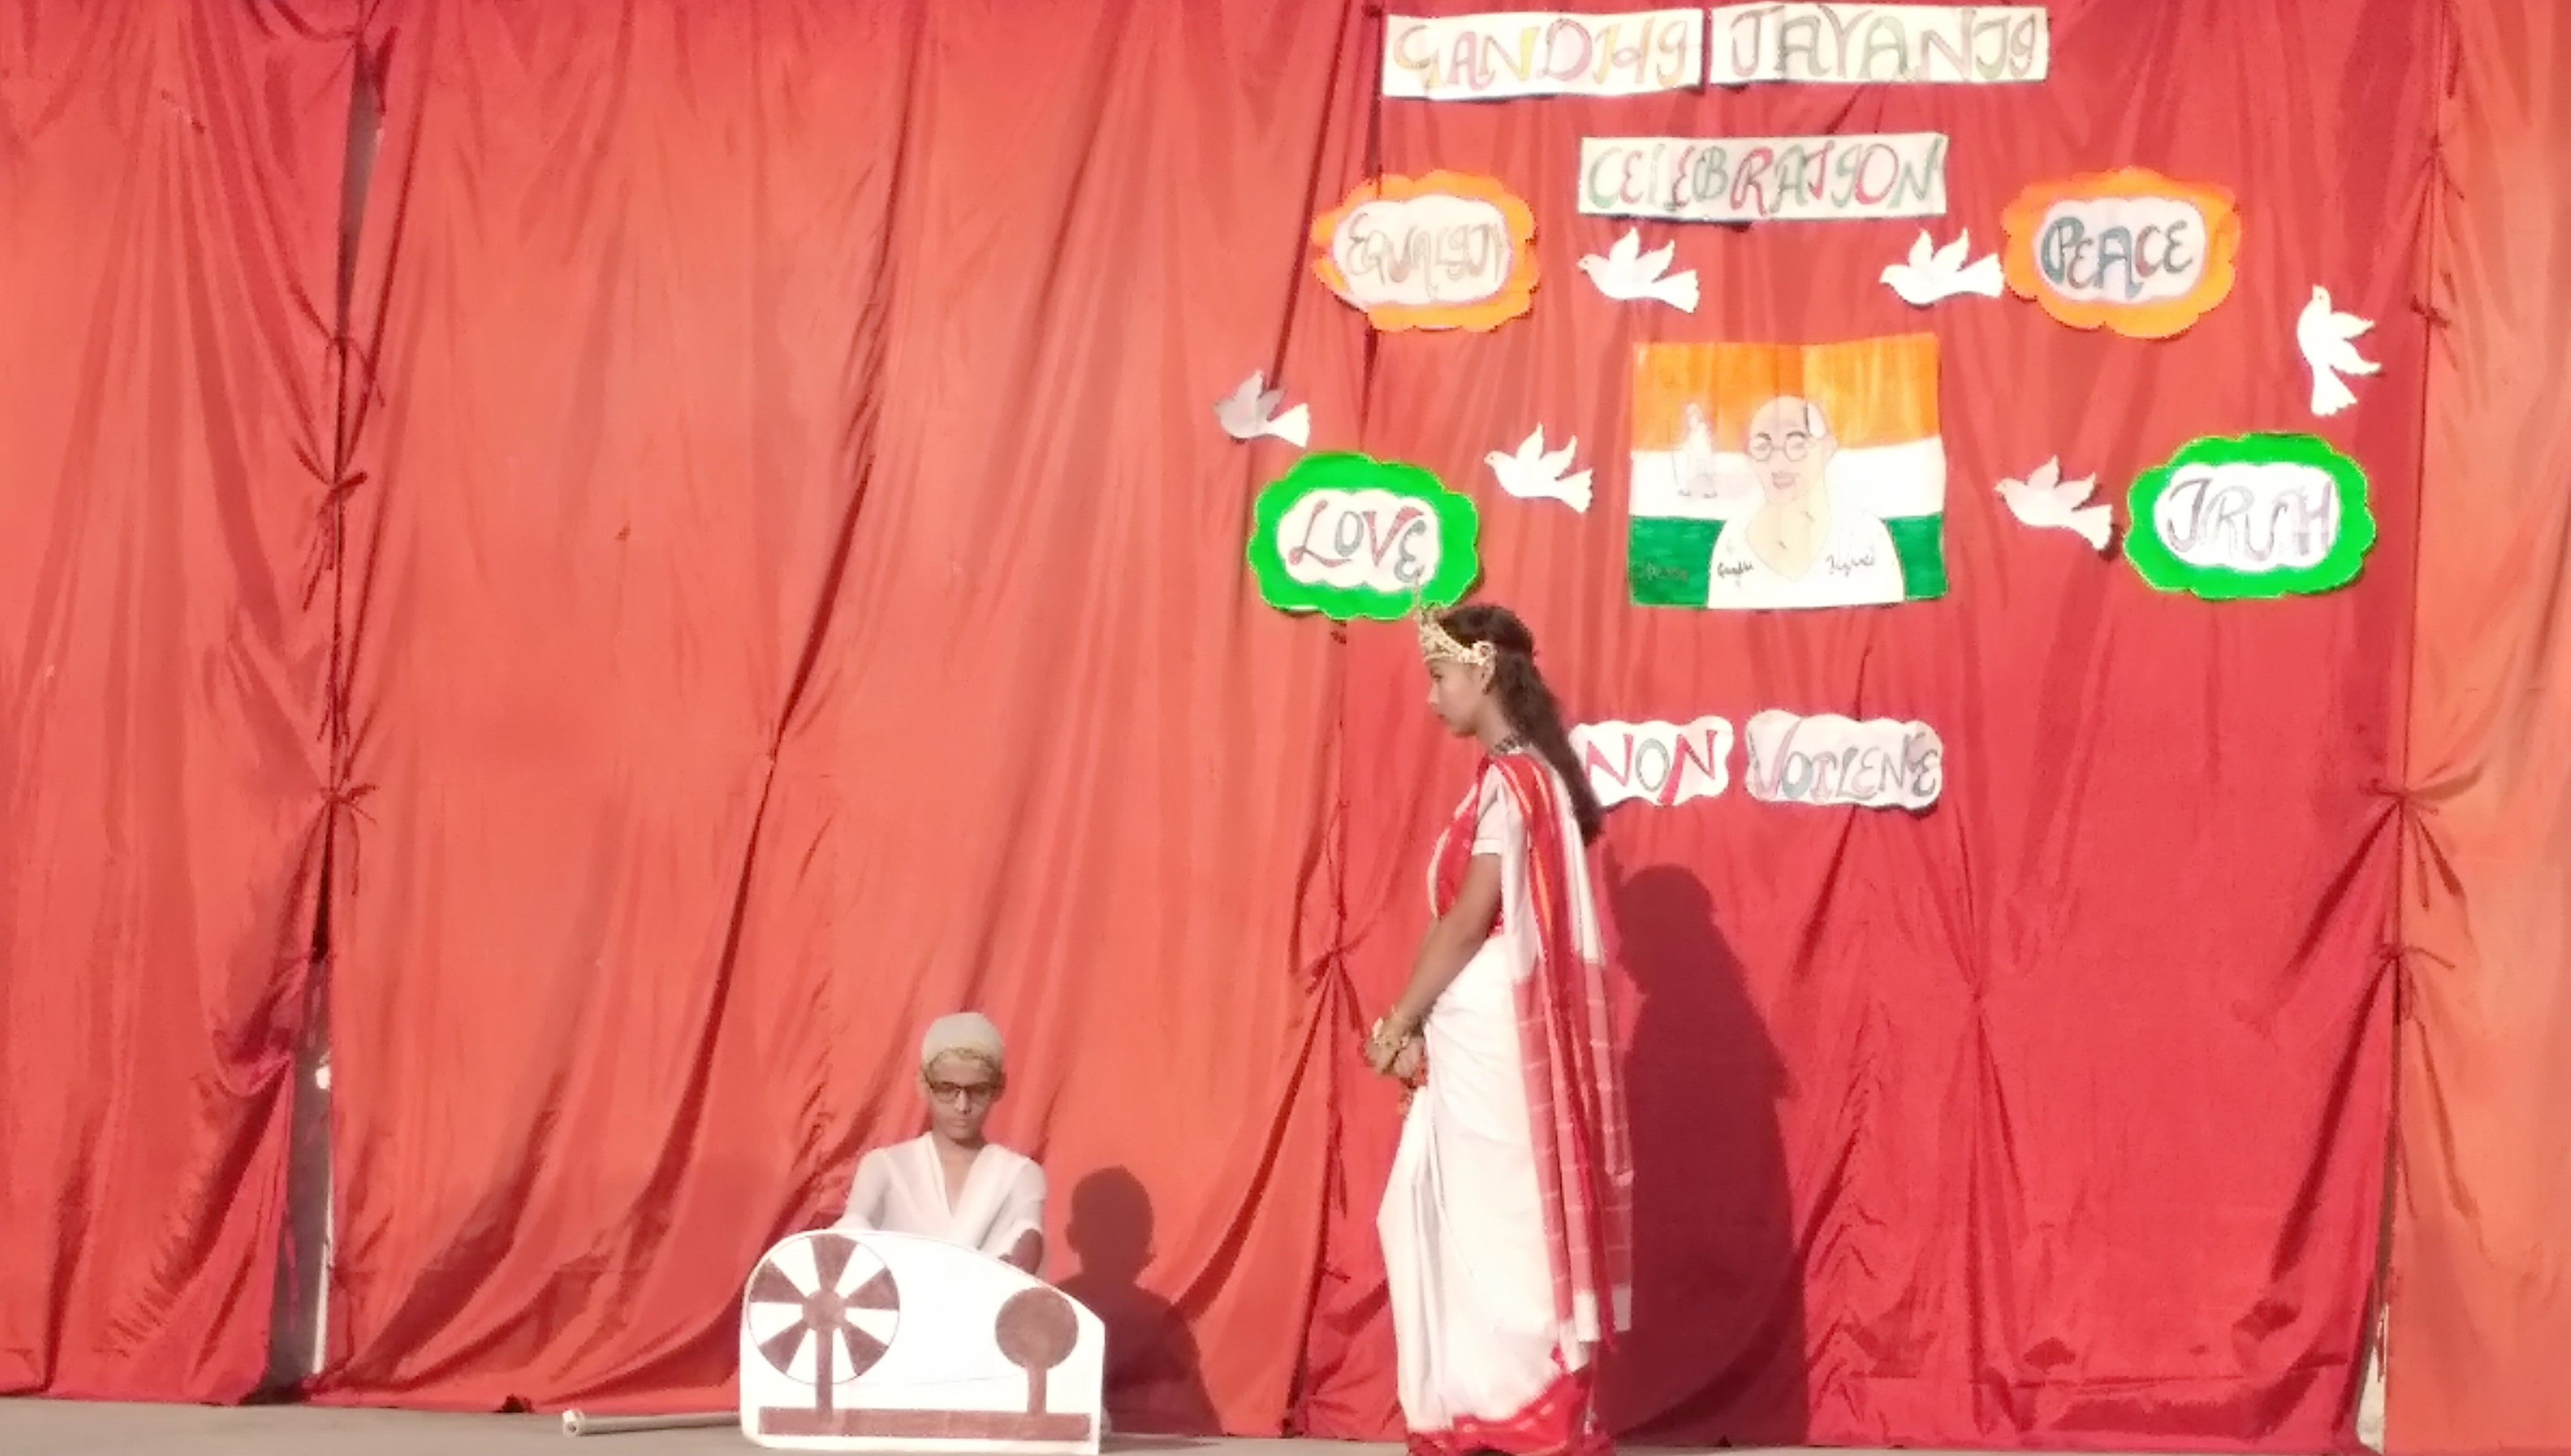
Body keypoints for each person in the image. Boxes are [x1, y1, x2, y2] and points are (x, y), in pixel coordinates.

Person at [1369, 601, 1636, 1456]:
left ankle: (1517, 1403)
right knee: (1465, 1211)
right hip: (1480, 1027)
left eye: (1439, 677)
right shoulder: (1520, 779)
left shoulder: (1514, 782)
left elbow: (1466, 919)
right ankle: (1491, 1403)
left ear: (1481, 671)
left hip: (1493, 1030)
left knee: (1501, 1221)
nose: (1431, 697)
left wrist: (1397, 1019)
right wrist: (1415, 1020)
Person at [838, 1013, 1046, 1274]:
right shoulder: (884, 1167)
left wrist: (1025, 1250)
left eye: (978, 1091)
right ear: (923, 1085)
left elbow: (1027, 1234)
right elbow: (851, 1232)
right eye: (947, 1090)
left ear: (999, 1088)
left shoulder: (1019, 1174)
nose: (962, 1106)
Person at [1705, 394, 1905, 609]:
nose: (1778, 464)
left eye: (1797, 444)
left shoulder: (1866, 535)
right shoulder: (1734, 540)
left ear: (1828, 449)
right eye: (1762, 447)